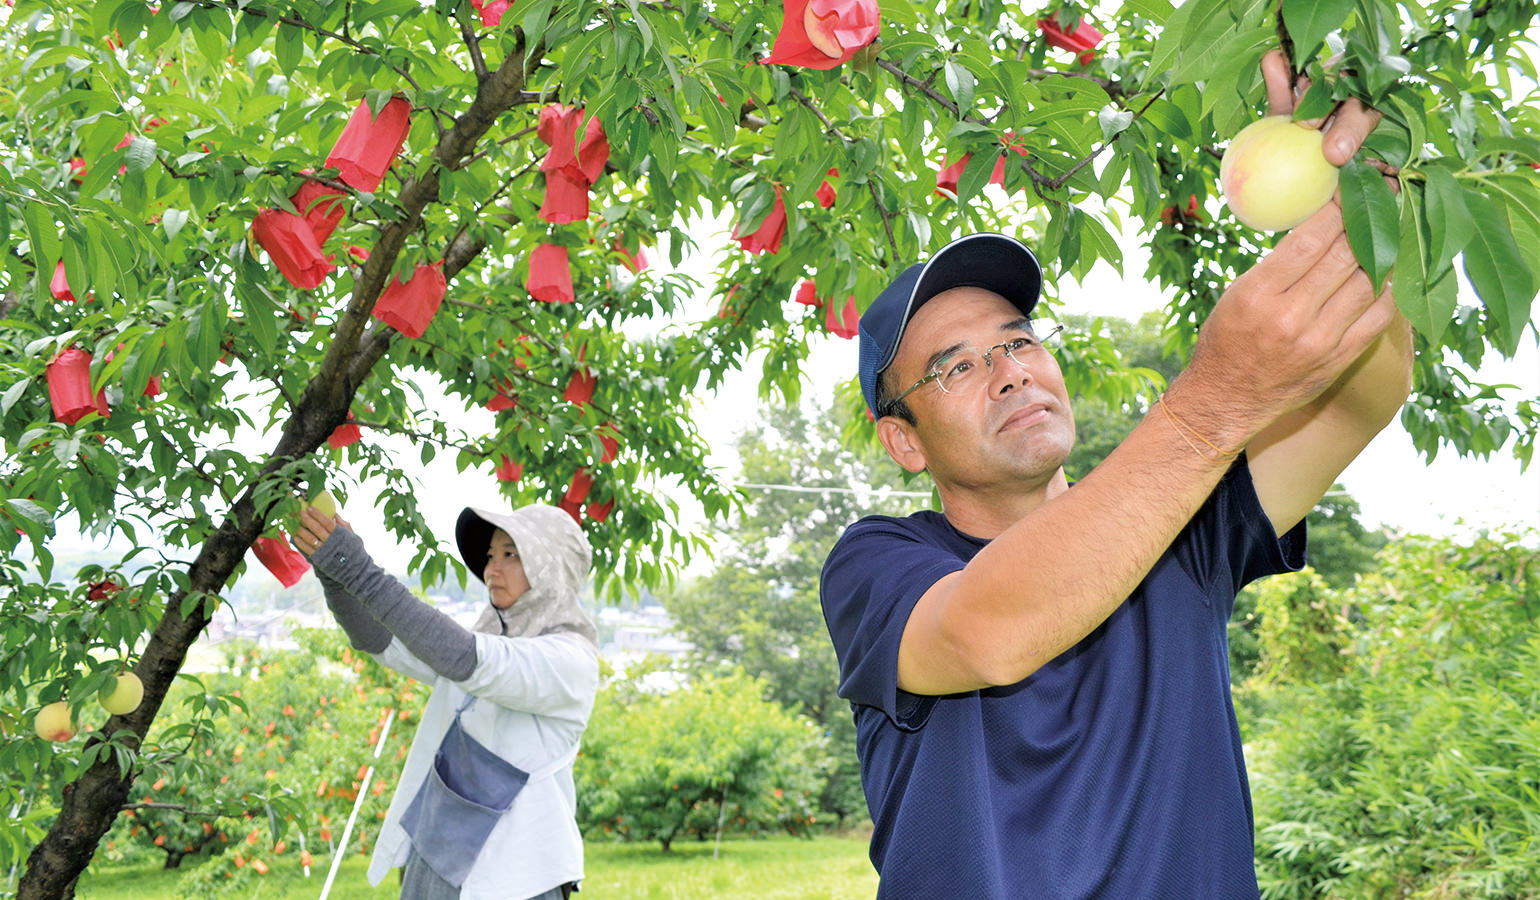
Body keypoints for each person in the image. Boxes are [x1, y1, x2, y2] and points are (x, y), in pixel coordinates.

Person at [819, 50, 1414, 899]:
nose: (1012, 371)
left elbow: (1364, 397)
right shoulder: (875, 563)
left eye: (1018, 339)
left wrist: (1353, 199)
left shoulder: (1182, 525)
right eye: (956, 367)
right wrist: (1210, 405)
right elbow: (987, 632)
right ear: (904, 443)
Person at [293, 500, 599, 900]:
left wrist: (352, 564)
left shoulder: (569, 661)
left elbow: (463, 657)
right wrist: (334, 572)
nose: (491, 569)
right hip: (438, 860)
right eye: (491, 555)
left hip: (517, 878)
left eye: (511, 555)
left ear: (550, 569)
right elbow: (380, 640)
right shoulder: (491, 641)